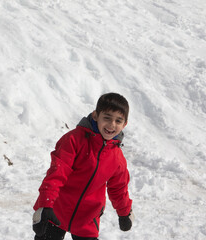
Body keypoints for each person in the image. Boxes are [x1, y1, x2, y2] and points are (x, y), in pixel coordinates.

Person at [32, 93, 134, 240]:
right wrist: (45, 204)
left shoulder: (117, 158)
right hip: (57, 209)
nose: (112, 125)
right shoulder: (74, 140)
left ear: (124, 124)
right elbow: (57, 173)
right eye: (107, 118)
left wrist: (124, 213)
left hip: (87, 218)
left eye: (118, 120)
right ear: (95, 115)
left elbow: (118, 188)